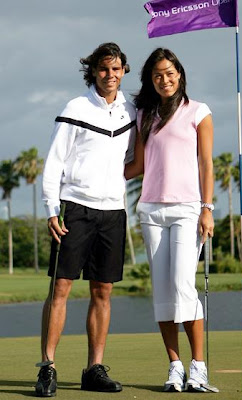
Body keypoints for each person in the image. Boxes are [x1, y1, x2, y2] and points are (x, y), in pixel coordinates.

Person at [35, 42, 136, 397]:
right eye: (103, 69)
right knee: (61, 287)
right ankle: (47, 367)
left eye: (116, 69)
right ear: (92, 71)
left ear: (124, 70)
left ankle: (94, 369)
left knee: (102, 291)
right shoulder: (75, 107)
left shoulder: (132, 110)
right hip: (74, 208)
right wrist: (51, 207)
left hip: (113, 211)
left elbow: (135, 157)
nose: (110, 75)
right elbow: (54, 162)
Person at [125, 47, 216, 392]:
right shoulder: (145, 114)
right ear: (151, 80)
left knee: (182, 285)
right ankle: (175, 366)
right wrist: (97, 176)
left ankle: (199, 367)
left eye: (170, 72)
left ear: (180, 74)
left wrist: (207, 207)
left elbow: (206, 164)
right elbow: (138, 166)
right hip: (151, 210)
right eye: (157, 75)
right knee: (162, 293)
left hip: (187, 209)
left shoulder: (199, 111)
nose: (164, 79)